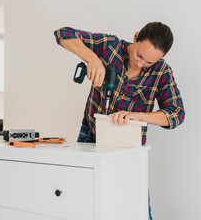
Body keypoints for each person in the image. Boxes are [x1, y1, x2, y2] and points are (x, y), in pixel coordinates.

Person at [54, 22, 185, 219]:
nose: (140, 64)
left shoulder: (161, 72)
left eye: (148, 62)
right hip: (92, 138)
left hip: (129, 148)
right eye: (139, 56)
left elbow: (176, 114)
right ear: (135, 37)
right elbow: (62, 34)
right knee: (84, 206)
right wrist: (92, 58)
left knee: (136, 211)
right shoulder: (110, 47)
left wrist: (139, 117)